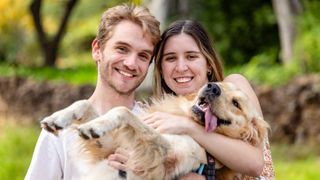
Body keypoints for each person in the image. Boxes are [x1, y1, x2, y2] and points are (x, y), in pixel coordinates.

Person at [25, 4, 160, 179]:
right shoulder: (60, 130)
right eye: (122, 49)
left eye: (143, 55)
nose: (131, 63)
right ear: (97, 49)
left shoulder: (157, 126)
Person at [143, 20, 275, 179]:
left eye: (191, 56)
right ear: (161, 69)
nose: (181, 67)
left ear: (209, 64)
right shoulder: (167, 113)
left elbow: (254, 165)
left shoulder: (234, 89)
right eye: (171, 58)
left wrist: (187, 126)